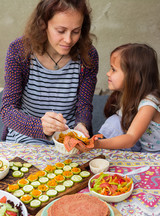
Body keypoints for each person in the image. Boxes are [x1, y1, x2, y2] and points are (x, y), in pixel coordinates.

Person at [0, 0, 98, 145]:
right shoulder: (19, 51)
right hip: (26, 136)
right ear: (43, 24)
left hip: (68, 137)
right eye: (61, 31)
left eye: (76, 31)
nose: (68, 40)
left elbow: (84, 105)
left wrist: (81, 125)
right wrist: (41, 127)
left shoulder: (88, 55)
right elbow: (7, 110)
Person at [78, 43, 160, 153]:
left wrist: (97, 144)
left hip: (155, 154)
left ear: (134, 77)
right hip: (142, 146)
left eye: (113, 69)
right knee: (114, 121)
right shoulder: (126, 95)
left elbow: (131, 138)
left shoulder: (149, 103)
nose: (108, 73)